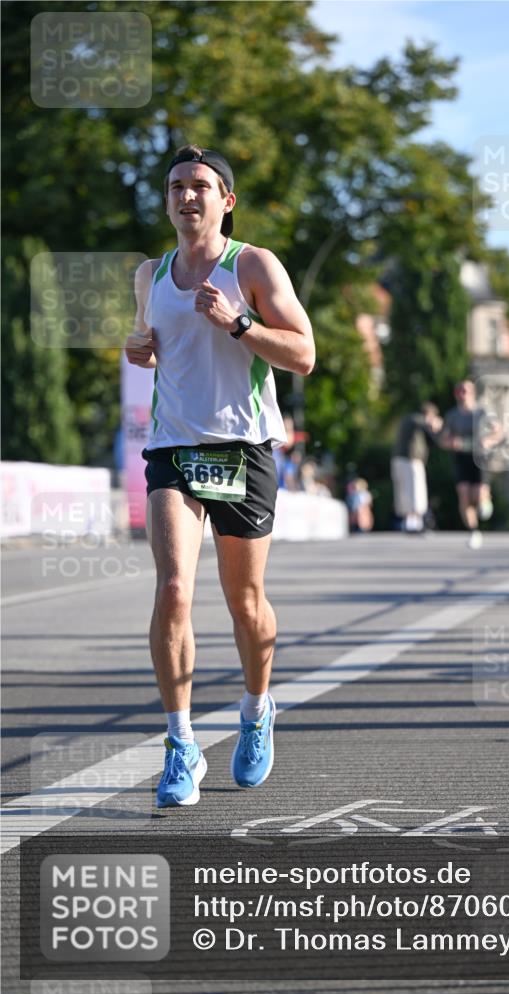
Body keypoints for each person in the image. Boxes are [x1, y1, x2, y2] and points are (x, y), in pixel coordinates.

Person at [125, 145, 315, 807]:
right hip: (174, 448)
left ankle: (257, 709)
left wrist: (238, 322)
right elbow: (154, 348)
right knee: (174, 587)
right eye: (176, 186)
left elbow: (304, 354)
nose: (187, 197)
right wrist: (136, 348)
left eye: (201, 186)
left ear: (225, 200)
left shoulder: (252, 264)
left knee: (245, 605)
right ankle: (179, 744)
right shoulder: (150, 274)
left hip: (243, 450)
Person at [442, 379, 502, 549]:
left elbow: (499, 432)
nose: (463, 394)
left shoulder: (483, 412)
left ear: (473, 393)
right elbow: (444, 440)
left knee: (477, 493)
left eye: (466, 390)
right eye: (460, 390)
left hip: (480, 457)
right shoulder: (452, 415)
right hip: (461, 457)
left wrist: (489, 440)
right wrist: (450, 443)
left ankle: (485, 498)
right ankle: (474, 531)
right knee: (463, 494)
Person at [391, 403, 443, 532]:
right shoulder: (415, 419)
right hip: (410, 460)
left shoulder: (409, 420)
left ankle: (411, 521)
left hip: (402, 459)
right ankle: (413, 522)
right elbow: (422, 422)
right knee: (414, 491)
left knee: (406, 491)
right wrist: (433, 424)